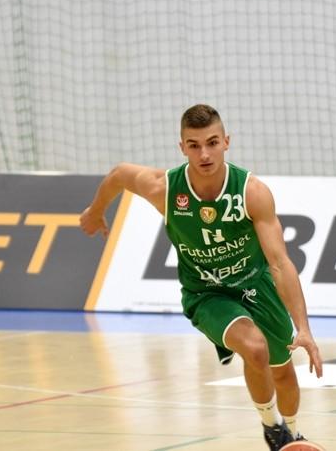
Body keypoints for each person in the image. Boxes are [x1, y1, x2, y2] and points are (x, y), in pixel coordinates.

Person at [80, 104, 323, 450]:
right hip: (207, 293)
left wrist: (304, 328)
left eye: (212, 143)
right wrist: (95, 211)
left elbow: (280, 263)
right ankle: (274, 430)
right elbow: (119, 174)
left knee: (282, 371)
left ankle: (293, 435)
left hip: (255, 285)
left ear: (226, 142)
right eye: (194, 145)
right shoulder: (166, 189)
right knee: (254, 349)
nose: (204, 154)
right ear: (182, 147)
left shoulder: (251, 192)